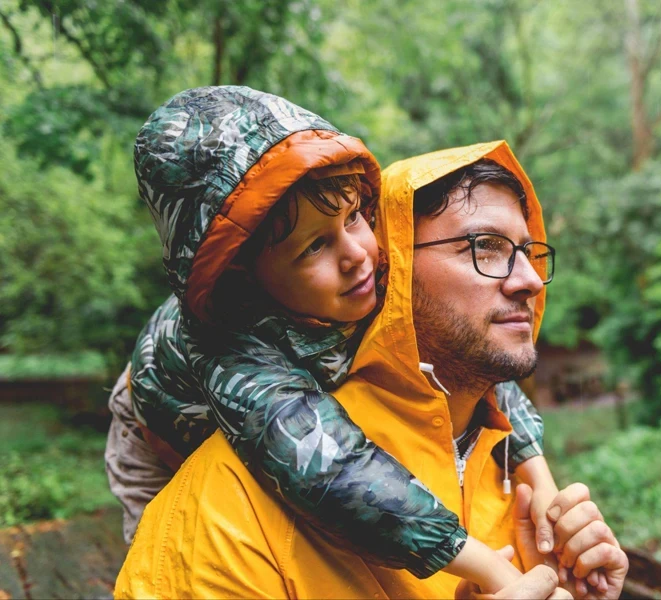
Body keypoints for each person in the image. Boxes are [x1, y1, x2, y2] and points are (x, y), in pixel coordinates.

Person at [114, 140, 629, 599]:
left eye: (526, 251)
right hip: (162, 423)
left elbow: (503, 392)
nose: (530, 281)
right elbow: (330, 466)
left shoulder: (488, 441)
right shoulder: (238, 428)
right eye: (483, 248)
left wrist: (542, 488)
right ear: (403, 266)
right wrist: (500, 575)